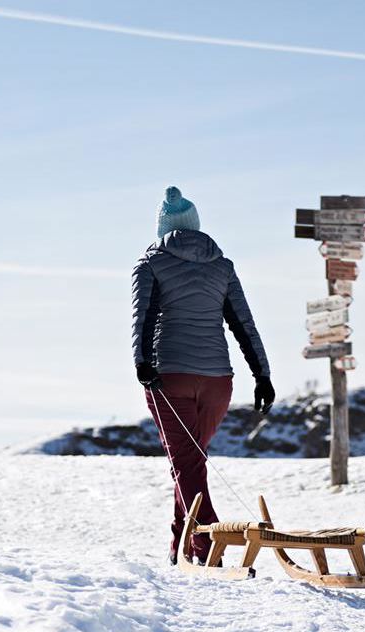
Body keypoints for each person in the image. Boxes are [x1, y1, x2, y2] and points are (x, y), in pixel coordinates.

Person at [132, 186, 274, 563]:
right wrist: (262, 374)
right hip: (218, 381)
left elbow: (143, 318)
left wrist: (142, 362)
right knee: (190, 463)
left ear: (162, 228)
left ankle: (209, 547)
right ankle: (181, 543)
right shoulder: (221, 266)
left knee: (187, 463)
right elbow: (243, 323)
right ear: (195, 225)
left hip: (169, 376)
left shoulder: (150, 263)